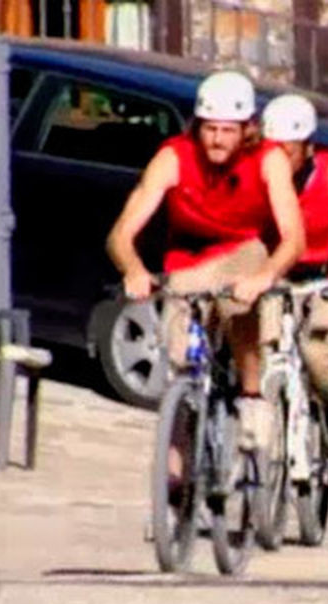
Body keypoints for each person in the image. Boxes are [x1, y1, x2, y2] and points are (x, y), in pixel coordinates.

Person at [106, 70, 304, 459]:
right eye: (209, 129)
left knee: (243, 301)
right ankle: (179, 460)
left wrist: (265, 278)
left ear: (247, 130)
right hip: (189, 260)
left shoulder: (269, 160)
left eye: (227, 130)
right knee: (180, 362)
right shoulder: (174, 157)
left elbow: (293, 238)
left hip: (246, 251)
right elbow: (120, 234)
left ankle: (251, 398)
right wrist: (133, 269)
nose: (216, 139)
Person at [259, 93, 328, 463]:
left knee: (319, 352)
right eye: (272, 149)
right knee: (263, 349)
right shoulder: (261, 172)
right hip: (275, 277)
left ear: (307, 148)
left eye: (287, 150)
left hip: (321, 277)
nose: (279, 159)